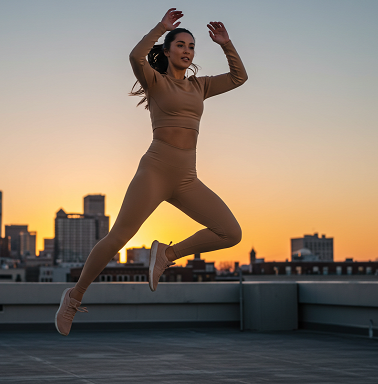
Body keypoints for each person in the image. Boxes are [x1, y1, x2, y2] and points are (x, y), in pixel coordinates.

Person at [55, 8, 248, 336]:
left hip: (187, 178)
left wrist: (227, 44)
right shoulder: (154, 80)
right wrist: (160, 27)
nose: (187, 51)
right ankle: (73, 297)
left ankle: (167, 254)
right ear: (168, 50)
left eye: (192, 47)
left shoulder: (199, 87)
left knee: (231, 233)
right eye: (181, 45)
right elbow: (135, 55)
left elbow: (238, 77)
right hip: (156, 171)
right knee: (118, 237)